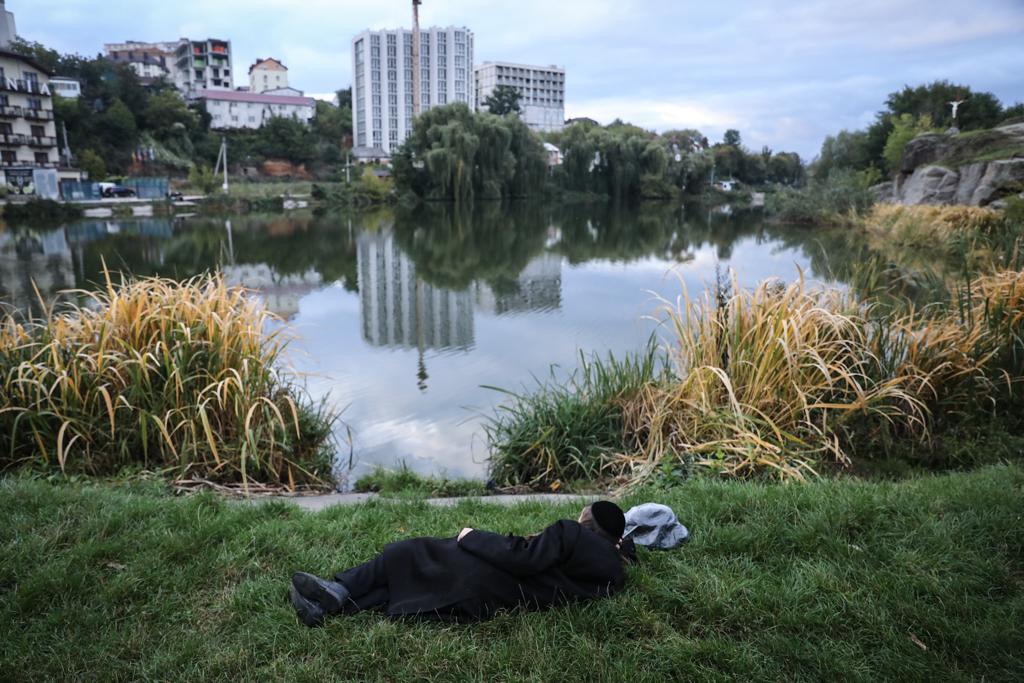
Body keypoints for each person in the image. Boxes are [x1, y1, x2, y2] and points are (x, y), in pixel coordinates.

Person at [289, 500, 635, 626]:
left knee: (411, 552)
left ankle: (341, 586)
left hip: (484, 575)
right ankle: (328, 608)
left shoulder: (570, 532)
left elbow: (523, 559)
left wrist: (472, 535)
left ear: (587, 519)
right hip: (491, 598)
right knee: (410, 587)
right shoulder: (613, 574)